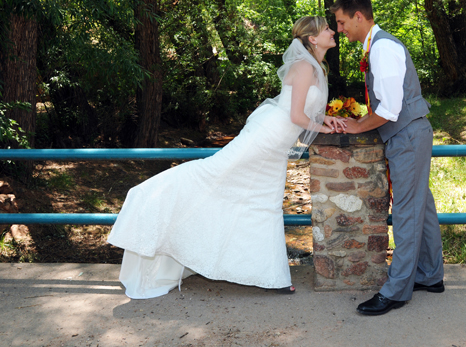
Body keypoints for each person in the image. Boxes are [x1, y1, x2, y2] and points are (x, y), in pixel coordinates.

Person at [108, 16, 344, 299]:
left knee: (264, 204)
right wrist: (324, 125)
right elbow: (296, 115)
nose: (333, 31)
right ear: (313, 39)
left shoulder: (315, 66)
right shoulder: (306, 66)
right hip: (266, 138)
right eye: (327, 29)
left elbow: (304, 109)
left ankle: (272, 276)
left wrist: (327, 120)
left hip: (276, 143)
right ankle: (149, 198)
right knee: (213, 175)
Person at [331, 0, 444, 316]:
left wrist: (356, 127)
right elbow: (387, 103)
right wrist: (363, 119)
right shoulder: (377, 47)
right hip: (409, 135)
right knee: (422, 206)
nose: (340, 30)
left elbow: (390, 109)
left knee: (408, 212)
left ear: (358, 16)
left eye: (341, 22)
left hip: (407, 137)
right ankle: (430, 275)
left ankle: (397, 291)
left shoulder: (382, 49)